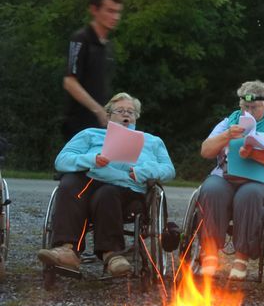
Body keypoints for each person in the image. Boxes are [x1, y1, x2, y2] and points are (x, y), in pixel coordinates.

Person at [37, 92, 175, 276]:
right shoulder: (90, 134)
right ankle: (66, 249)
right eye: (120, 110)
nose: (126, 114)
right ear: (109, 115)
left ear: (136, 117)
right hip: (90, 182)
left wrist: (143, 171)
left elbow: (168, 170)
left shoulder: (152, 141)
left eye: (131, 112)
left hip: (127, 188)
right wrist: (92, 159)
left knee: (107, 194)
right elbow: (62, 160)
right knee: (69, 182)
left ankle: (112, 255)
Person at [198, 80, 264, 280]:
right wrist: (226, 136)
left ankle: (241, 257)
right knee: (211, 190)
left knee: (249, 194)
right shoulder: (228, 122)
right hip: (227, 177)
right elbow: (206, 151)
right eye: (245, 107)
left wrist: (254, 155)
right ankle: (210, 253)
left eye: (254, 107)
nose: (248, 111)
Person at [62, 0, 125, 141]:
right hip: (79, 126)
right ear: (94, 10)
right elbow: (70, 81)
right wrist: (98, 110)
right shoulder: (81, 39)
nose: (115, 17)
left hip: (101, 126)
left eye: (118, 12)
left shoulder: (107, 46)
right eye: (110, 11)